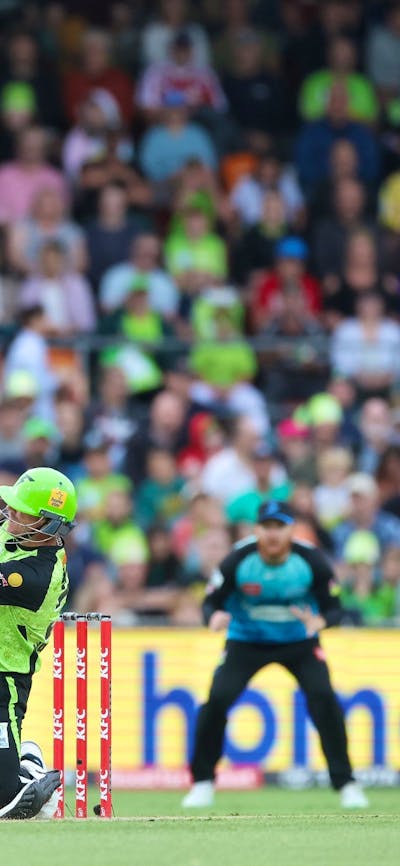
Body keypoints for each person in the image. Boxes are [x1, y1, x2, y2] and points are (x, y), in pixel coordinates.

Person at [182, 500, 368, 810]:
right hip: (246, 641)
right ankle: (202, 783)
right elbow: (211, 601)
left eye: (279, 527)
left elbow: (335, 606)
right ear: (256, 530)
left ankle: (346, 783)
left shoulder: (311, 561)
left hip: (299, 642)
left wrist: (321, 621)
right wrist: (212, 617)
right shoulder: (238, 560)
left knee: (324, 698)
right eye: (266, 527)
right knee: (216, 700)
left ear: (291, 530)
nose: (272, 535)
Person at [0, 466, 77, 819]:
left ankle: (28, 770)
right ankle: (24, 762)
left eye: (21, 510)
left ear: (48, 525)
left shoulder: (36, 575)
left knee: (7, 805)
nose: (11, 513)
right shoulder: (12, 531)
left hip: (6, 677)